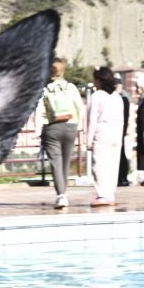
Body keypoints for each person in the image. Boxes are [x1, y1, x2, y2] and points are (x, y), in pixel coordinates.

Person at [34, 58, 84, 209]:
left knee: (56, 162)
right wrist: (79, 126)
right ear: (63, 71)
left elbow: (39, 112)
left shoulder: (45, 90)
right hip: (70, 127)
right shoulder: (70, 87)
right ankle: (64, 192)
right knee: (65, 163)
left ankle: (61, 196)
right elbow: (80, 107)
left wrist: (38, 131)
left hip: (52, 129)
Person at [82, 66, 130, 207]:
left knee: (99, 164)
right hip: (116, 133)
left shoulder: (97, 96)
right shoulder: (117, 97)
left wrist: (88, 139)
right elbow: (122, 120)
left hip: (102, 132)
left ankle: (102, 194)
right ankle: (110, 194)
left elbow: (92, 119)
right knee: (113, 164)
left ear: (99, 80)